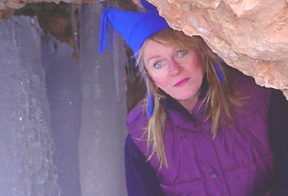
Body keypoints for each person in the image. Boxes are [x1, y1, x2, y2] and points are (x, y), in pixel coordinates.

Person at [99, 1, 288, 195]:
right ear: (150, 78)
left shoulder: (260, 95)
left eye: (181, 53)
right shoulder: (141, 138)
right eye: (158, 64)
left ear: (202, 54)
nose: (174, 69)